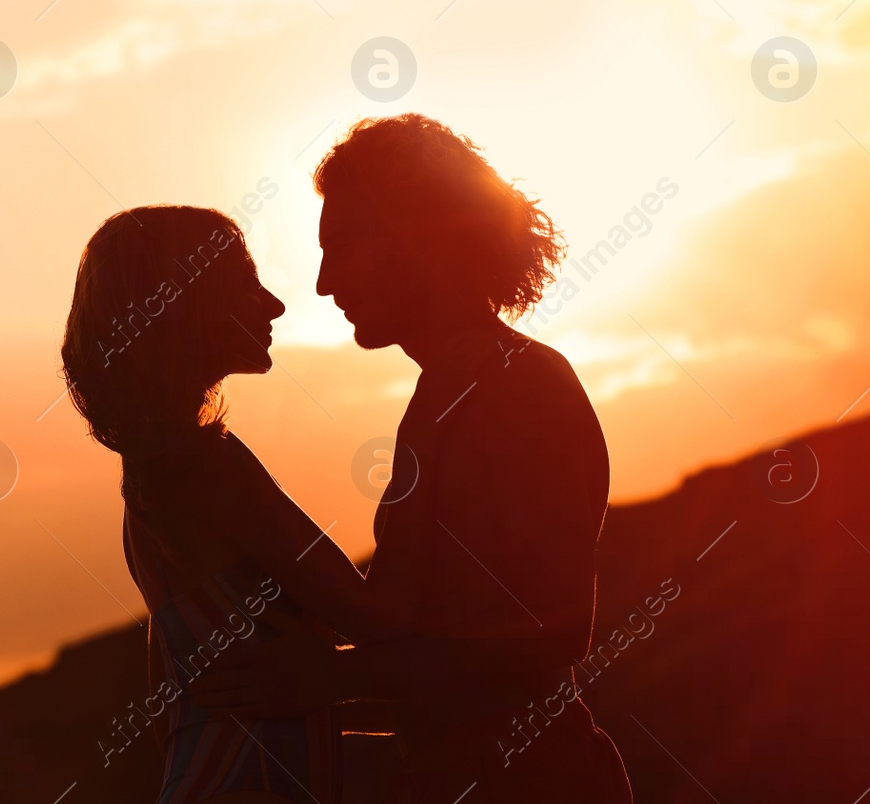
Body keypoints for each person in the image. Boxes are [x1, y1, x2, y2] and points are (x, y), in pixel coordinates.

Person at [192, 114, 634, 802]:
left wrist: (331, 678)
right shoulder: (448, 391)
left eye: (344, 246)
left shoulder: (519, 385)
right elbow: (441, 652)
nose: (323, 281)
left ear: (421, 234)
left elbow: (549, 635)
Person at [60, 205, 391, 804]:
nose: (274, 305)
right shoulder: (205, 466)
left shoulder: (151, 475)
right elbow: (366, 615)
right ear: (183, 304)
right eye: (243, 282)